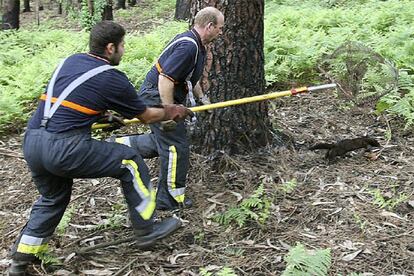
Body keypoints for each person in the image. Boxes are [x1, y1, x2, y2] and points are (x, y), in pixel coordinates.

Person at [8, 21, 193, 276]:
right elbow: (147, 116)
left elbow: (68, 101)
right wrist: (173, 110)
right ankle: (147, 229)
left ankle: (21, 259)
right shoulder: (111, 77)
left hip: (33, 142)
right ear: (110, 48)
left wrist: (100, 117)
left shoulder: (71, 61)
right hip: (64, 147)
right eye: (122, 45)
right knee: (130, 162)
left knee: (52, 198)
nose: (123, 50)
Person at [112, 7, 224, 211]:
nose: (221, 32)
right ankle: (169, 199)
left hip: (160, 97)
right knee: (176, 147)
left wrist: (202, 100)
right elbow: (165, 79)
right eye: (219, 27)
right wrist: (167, 112)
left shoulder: (198, 46)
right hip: (155, 96)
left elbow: (191, 78)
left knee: (162, 142)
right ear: (209, 26)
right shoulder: (188, 47)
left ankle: (118, 144)